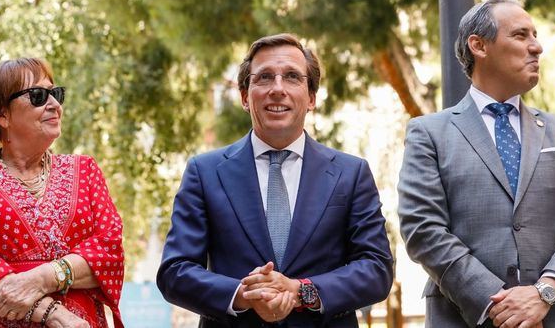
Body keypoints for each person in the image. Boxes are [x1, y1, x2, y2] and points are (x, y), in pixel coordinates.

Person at [398, 0, 555, 328]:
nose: (537, 47)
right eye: (521, 35)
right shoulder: (429, 133)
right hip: (465, 319)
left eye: (535, 35)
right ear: (479, 46)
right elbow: (423, 230)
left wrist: (543, 293)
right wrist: (500, 305)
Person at [156, 33, 393, 327]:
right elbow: (174, 272)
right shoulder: (204, 172)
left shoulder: (351, 173)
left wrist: (301, 292)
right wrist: (241, 295)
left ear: (311, 98)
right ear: (245, 96)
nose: (277, 89)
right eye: (265, 77)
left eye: (292, 77)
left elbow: (376, 269)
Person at [0, 58, 125, 327]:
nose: (54, 104)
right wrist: (51, 312)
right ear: (2, 114)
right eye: (39, 96)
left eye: (57, 94)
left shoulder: (85, 169)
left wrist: (42, 278)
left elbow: (109, 252)